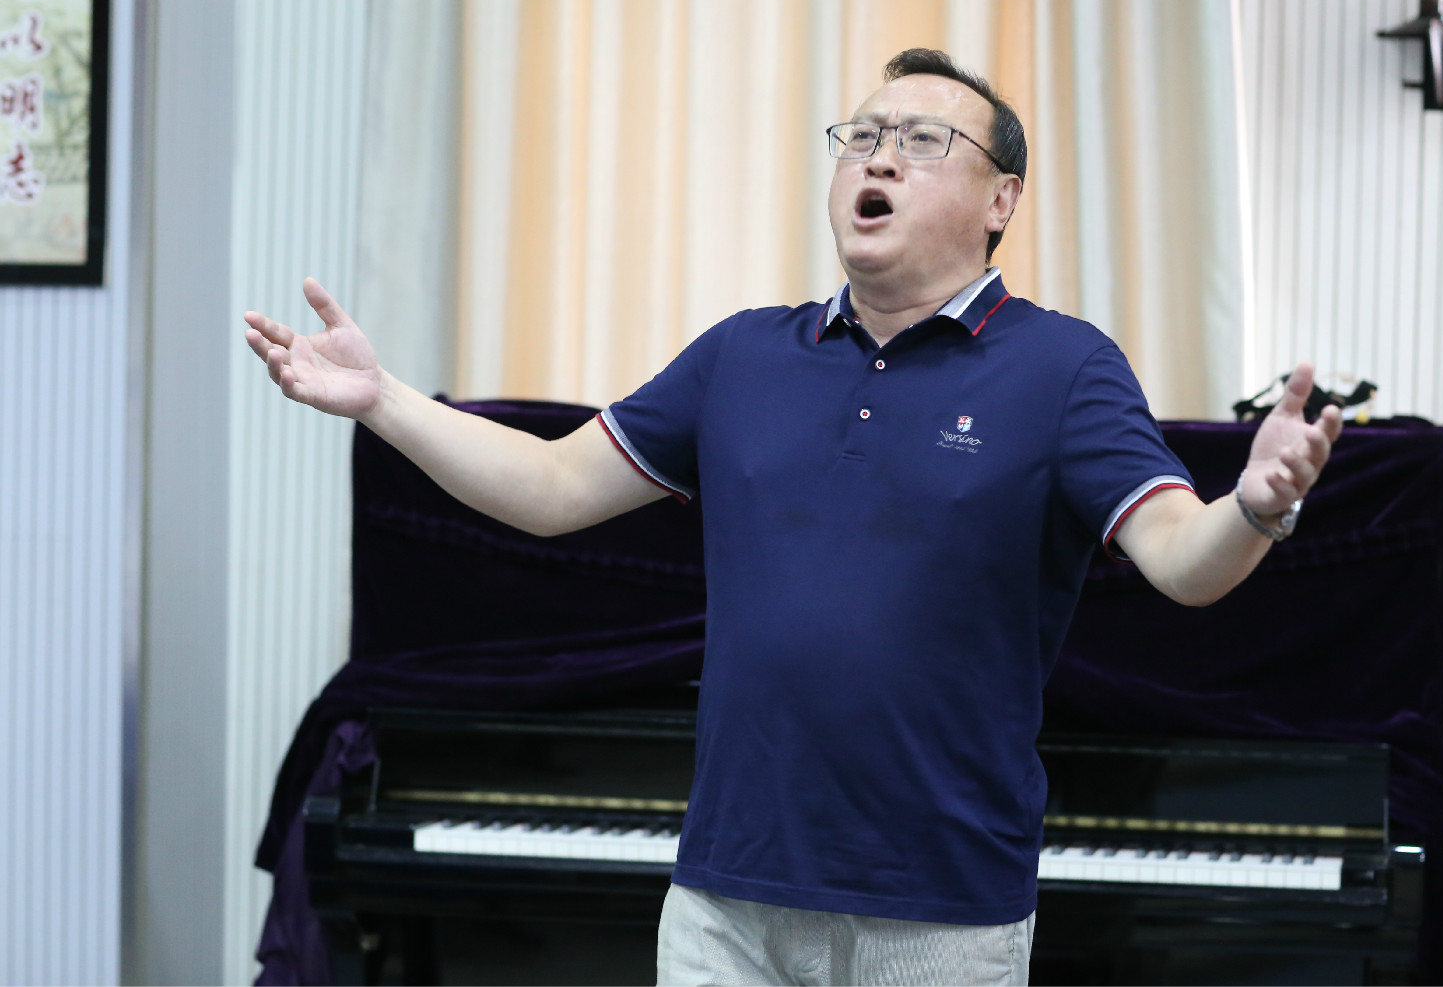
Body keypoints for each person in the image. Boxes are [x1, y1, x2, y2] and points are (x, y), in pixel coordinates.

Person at [244, 48, 1342, 986]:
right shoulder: (743, 355)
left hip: (940, 915)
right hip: (726, 905)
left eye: (922, 140)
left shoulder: (1063, 367)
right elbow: (549, 486)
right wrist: (382, 400)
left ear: (1001, 199)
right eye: (861, 136)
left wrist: (1254, 506)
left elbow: (1181, 560)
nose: (878, 158)